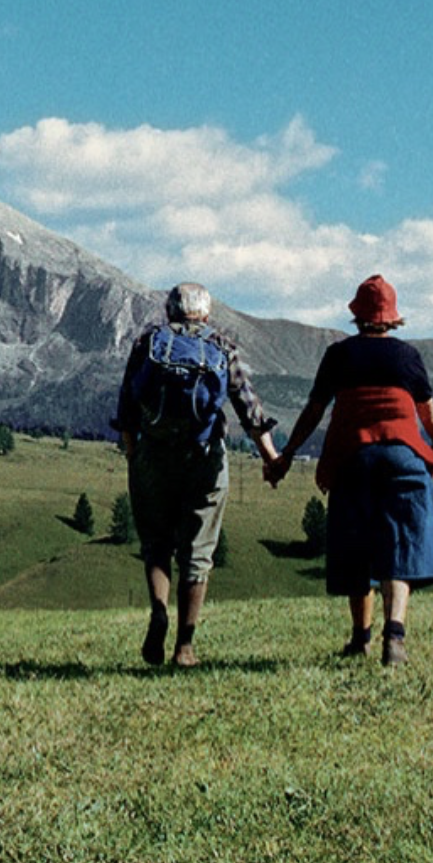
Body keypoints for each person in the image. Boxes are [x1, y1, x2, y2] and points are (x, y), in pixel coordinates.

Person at [264, 275, 433, 665]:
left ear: (357, 315)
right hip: (402, 457)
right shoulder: (407, 357)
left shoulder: (340, 356)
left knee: (357, 547)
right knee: (401, 546)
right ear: (392, 318)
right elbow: (430, 414)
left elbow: (313, 411)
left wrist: (287, 454)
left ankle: (361, 639)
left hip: (354, 457)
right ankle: (396, 635)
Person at [114, 283, 281, 668]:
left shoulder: (148, 343)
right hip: (204, 457)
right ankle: (184, 646)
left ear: (169, 311)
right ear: (205, 314)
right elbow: (248, 408)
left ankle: (159, 610)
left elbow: (126, 405)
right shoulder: (221, 345)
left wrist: (134, 454)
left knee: (156, 543)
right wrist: (270, 458)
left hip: (153, 454)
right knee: (198, 550)